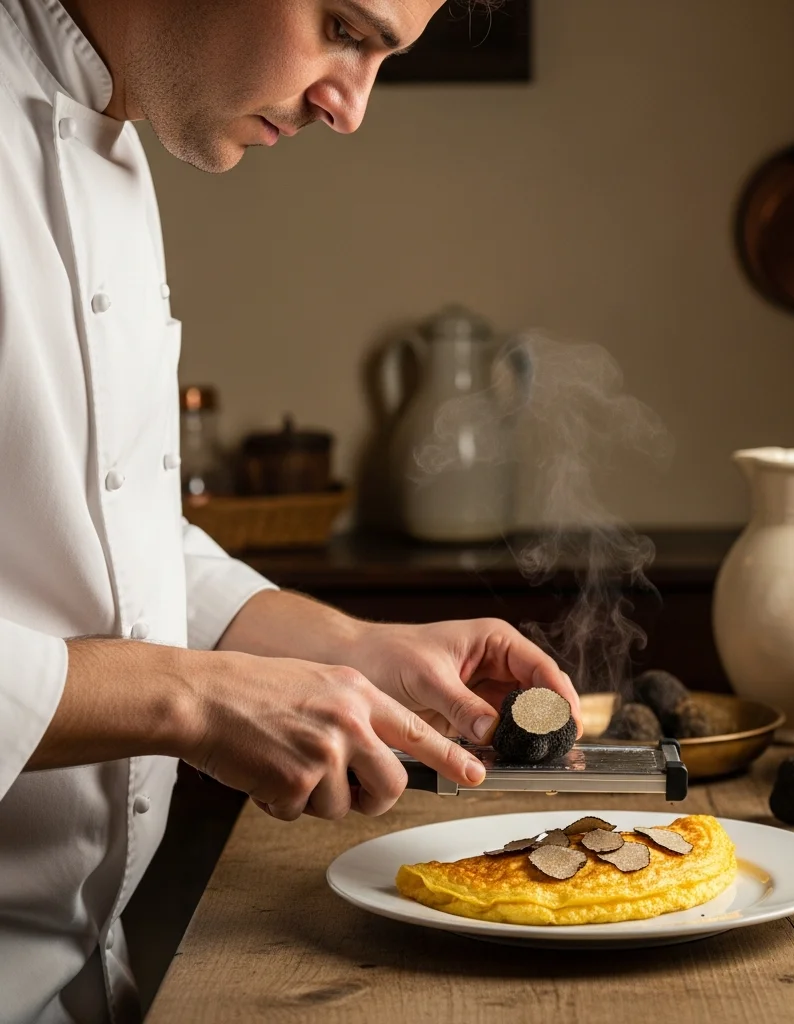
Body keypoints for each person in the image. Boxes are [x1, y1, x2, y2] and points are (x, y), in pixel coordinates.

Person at [0, 1, 580, 1020]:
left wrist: (350, 647)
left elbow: (108, 534)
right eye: (344, 29)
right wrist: (193, 703)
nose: (350, 107)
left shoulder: (119, 132)